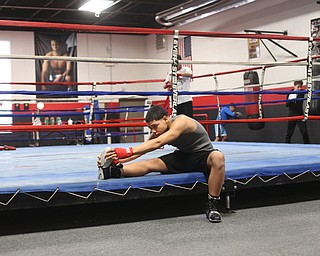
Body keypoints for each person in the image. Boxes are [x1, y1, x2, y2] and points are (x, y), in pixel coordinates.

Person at [98, 105, 225, 223]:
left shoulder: (182, 122)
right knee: (150, 163)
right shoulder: (158, 132)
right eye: (150, 128)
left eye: (155, 126)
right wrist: (116, 160)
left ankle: (212, 205)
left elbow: (158, 143)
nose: (153, 131)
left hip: (204, 155)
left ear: (165, 119)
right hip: (183, 156)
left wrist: (125, 151)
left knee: (218, 157)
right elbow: (143, 149)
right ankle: (114, 171)